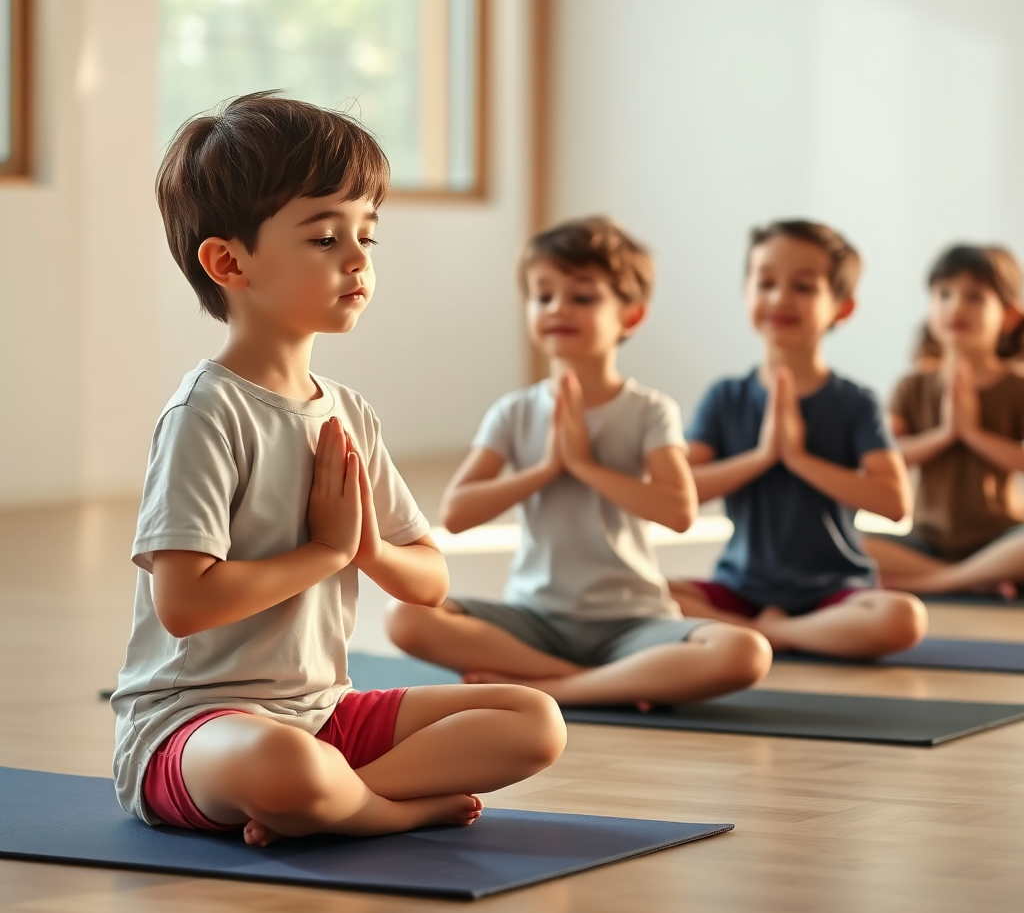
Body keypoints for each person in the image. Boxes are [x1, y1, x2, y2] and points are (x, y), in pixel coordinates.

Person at [111, 92, 566, 848]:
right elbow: (184, 604)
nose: (357, 259)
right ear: (230, 262)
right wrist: (321, 554)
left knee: (534, 720)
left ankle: (333, 803)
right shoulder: (206, 413)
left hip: (325, 713)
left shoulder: (348, 412)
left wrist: (367, 550)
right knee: (285, 765)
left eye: (366, 236)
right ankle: (383, 808)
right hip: (196, 730)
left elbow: (431, 580)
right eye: (325, 238)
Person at [386, 217, 772, 708]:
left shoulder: (649, 410)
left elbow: (679, 511)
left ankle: (554, 688)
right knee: (406, 616)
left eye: (582, 297)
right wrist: (546, 469)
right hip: (536, 622)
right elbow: (459, 515)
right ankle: (599, 682)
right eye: (543, 296)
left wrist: (586, 465)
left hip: (635, 622)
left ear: (630, 316)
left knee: (744, 651)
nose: (558, 308)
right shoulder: (515, 411)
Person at [669, 220, 927, 657]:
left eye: (803, 287)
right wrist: (762, 456)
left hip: (833, 593)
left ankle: (770, 635)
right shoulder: (725, 396)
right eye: (765, 282)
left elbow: (894, 502)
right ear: (747, 292)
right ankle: (771, 632)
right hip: (741, 588)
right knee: (646, 595)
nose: (779, 299)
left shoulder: (856, 403)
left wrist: (799, 458)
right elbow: (680, 492)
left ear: (842, 307)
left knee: (904, 618)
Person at [863, 244, 1024, 598]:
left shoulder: (1017, 386)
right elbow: (888, 456)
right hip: (927, 540)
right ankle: (975, 580)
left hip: (1000, 537)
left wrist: (973, 434)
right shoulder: (913, 385)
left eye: (975, 297)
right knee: (849, 542)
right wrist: (946, 435)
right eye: (944, 294)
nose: (956, 306)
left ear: (1009, 315)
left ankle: (935, 582)